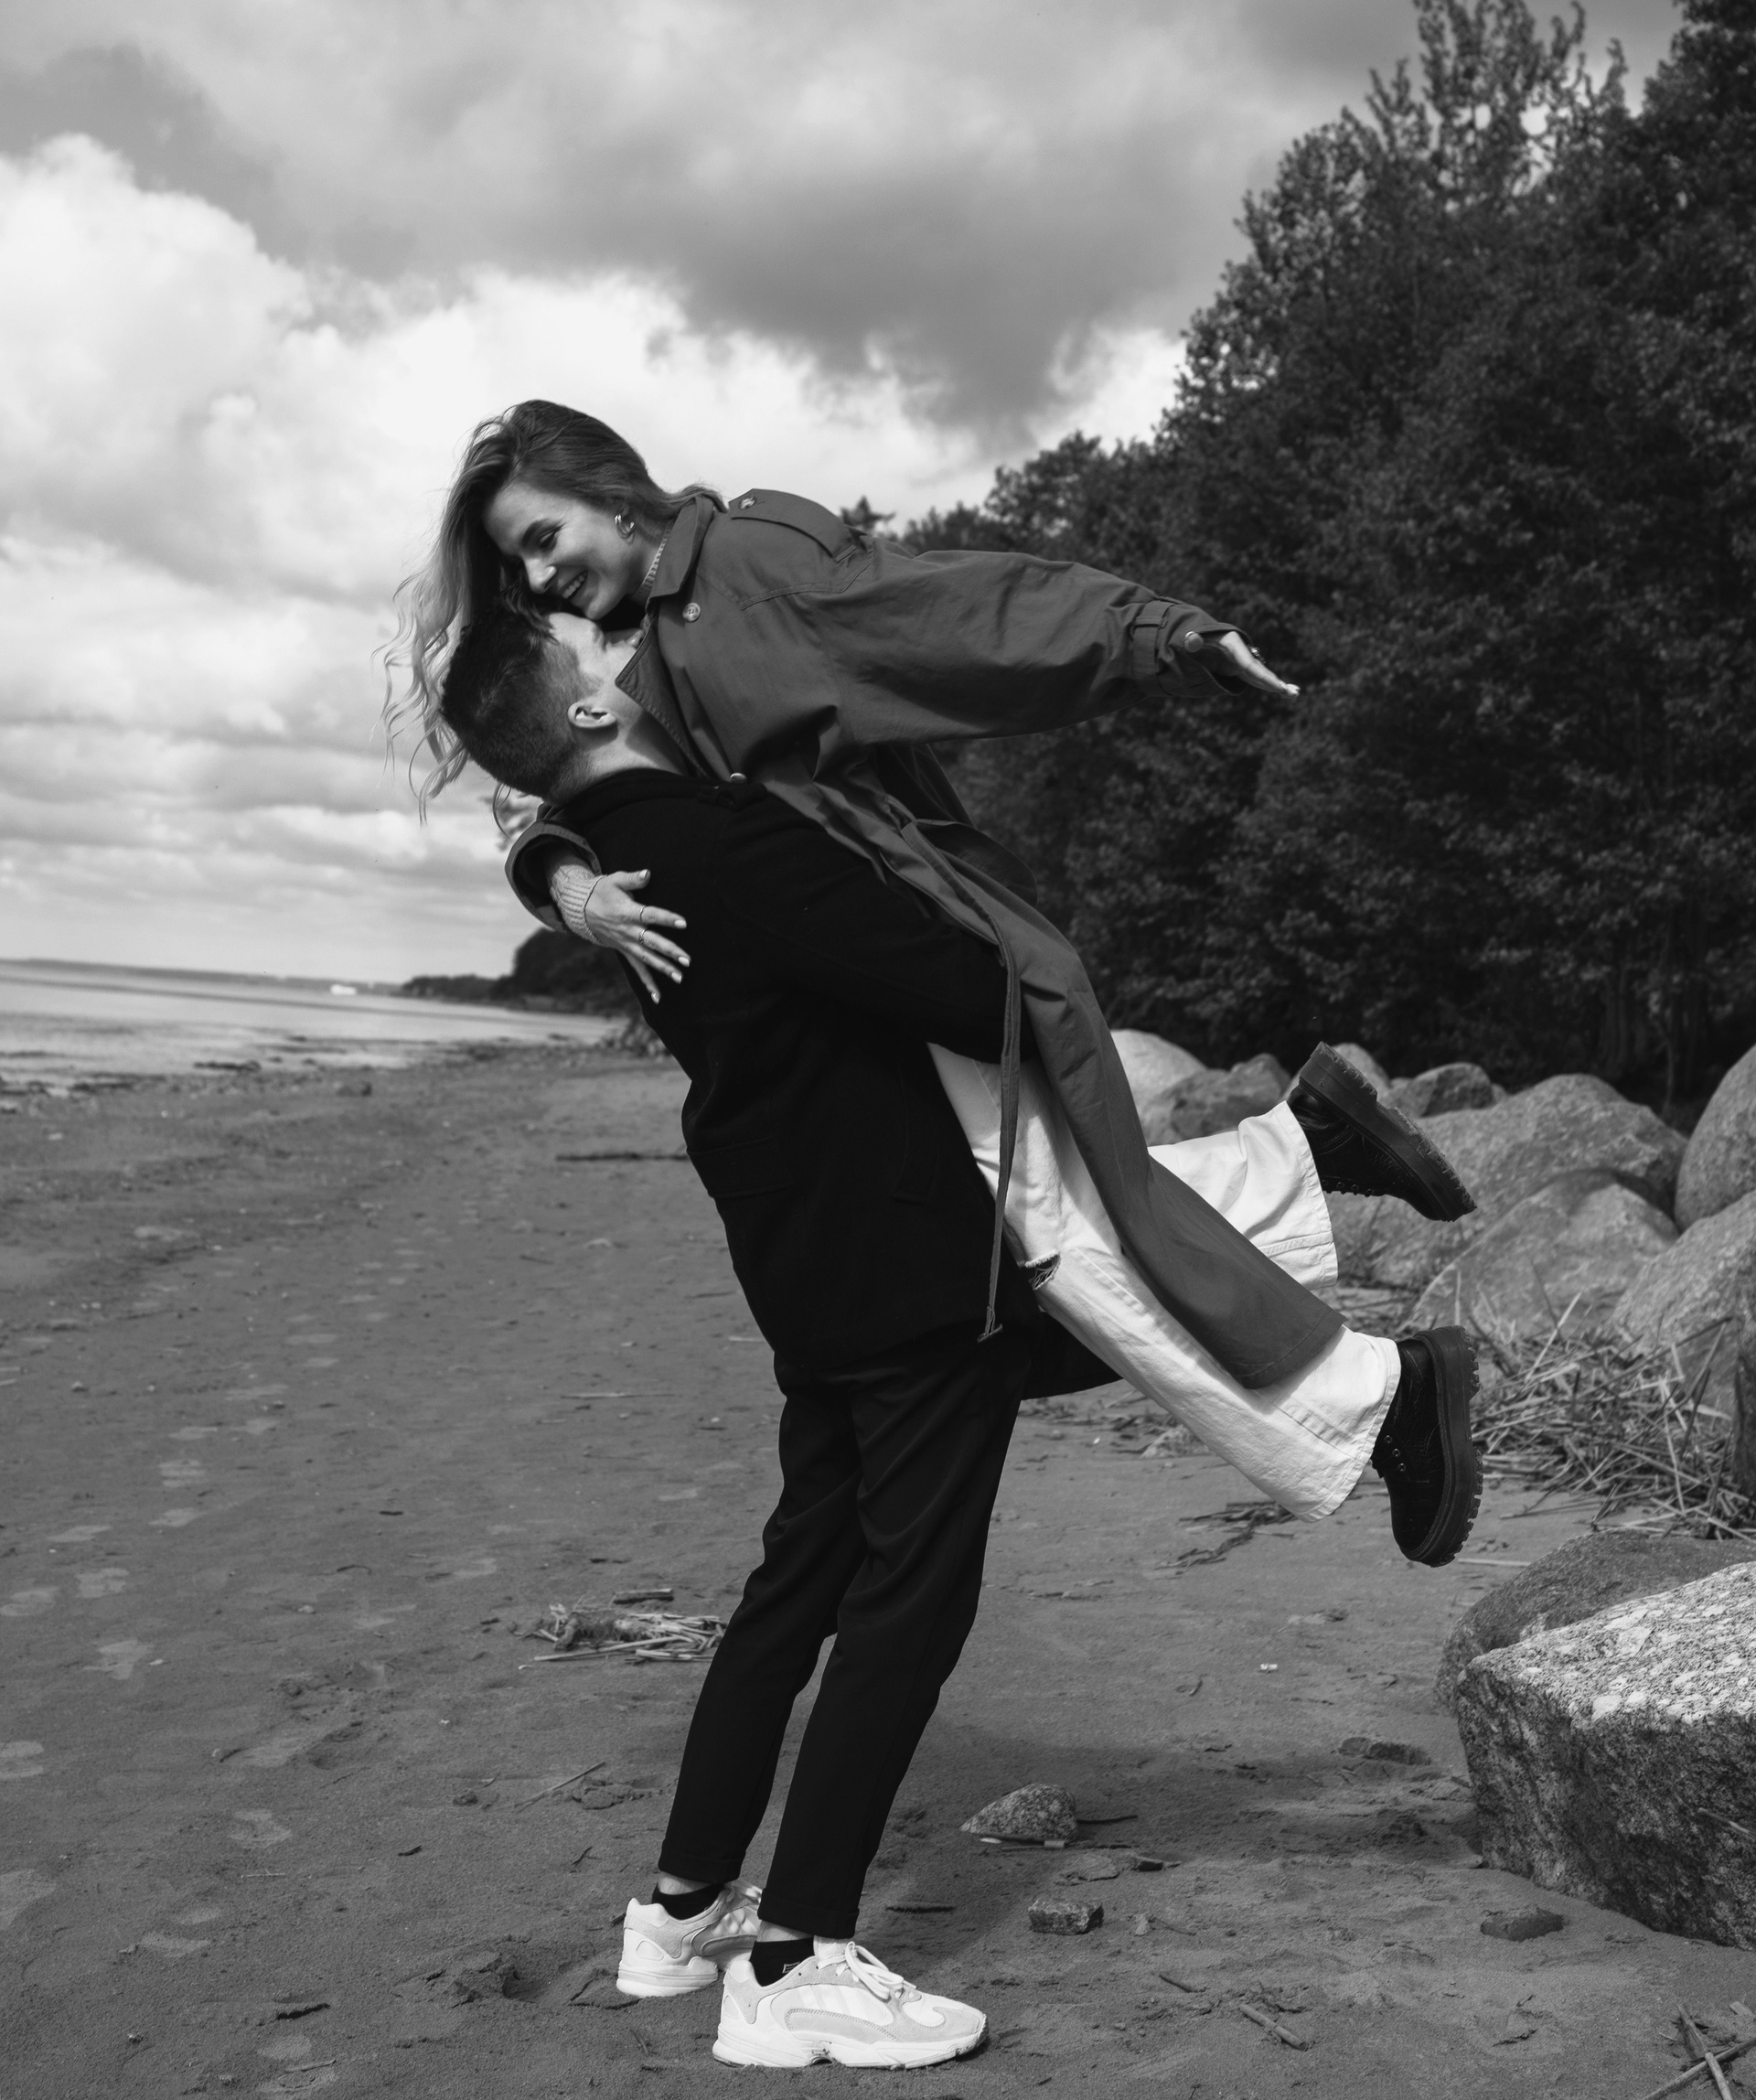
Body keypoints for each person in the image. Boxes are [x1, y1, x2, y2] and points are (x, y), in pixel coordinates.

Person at [435, 603, 1477, 2071]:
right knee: (913, 1599)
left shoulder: (623, 861)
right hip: (902, 1262)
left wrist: (559, 864)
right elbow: (962, 985)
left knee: (805, 1580)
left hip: (811, 1263)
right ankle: (793, 1961)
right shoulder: (719, 839)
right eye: (596, 657)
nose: (636, 658)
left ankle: (678, 1916)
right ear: (595, 714)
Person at [389, 399, 1478, 1440]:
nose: (541, 577)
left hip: (909, 946)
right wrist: (568, 888)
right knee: (1033, 1256)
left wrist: (1157, 632)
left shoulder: (753, 567)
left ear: (611, 491)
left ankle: (1379, 1389)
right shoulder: (642, 648)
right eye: (519, 566)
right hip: (850, 984)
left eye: (543, 538)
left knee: (1044, 1259)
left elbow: (955, 613)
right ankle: (1334, 1229)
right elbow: (559, 783)